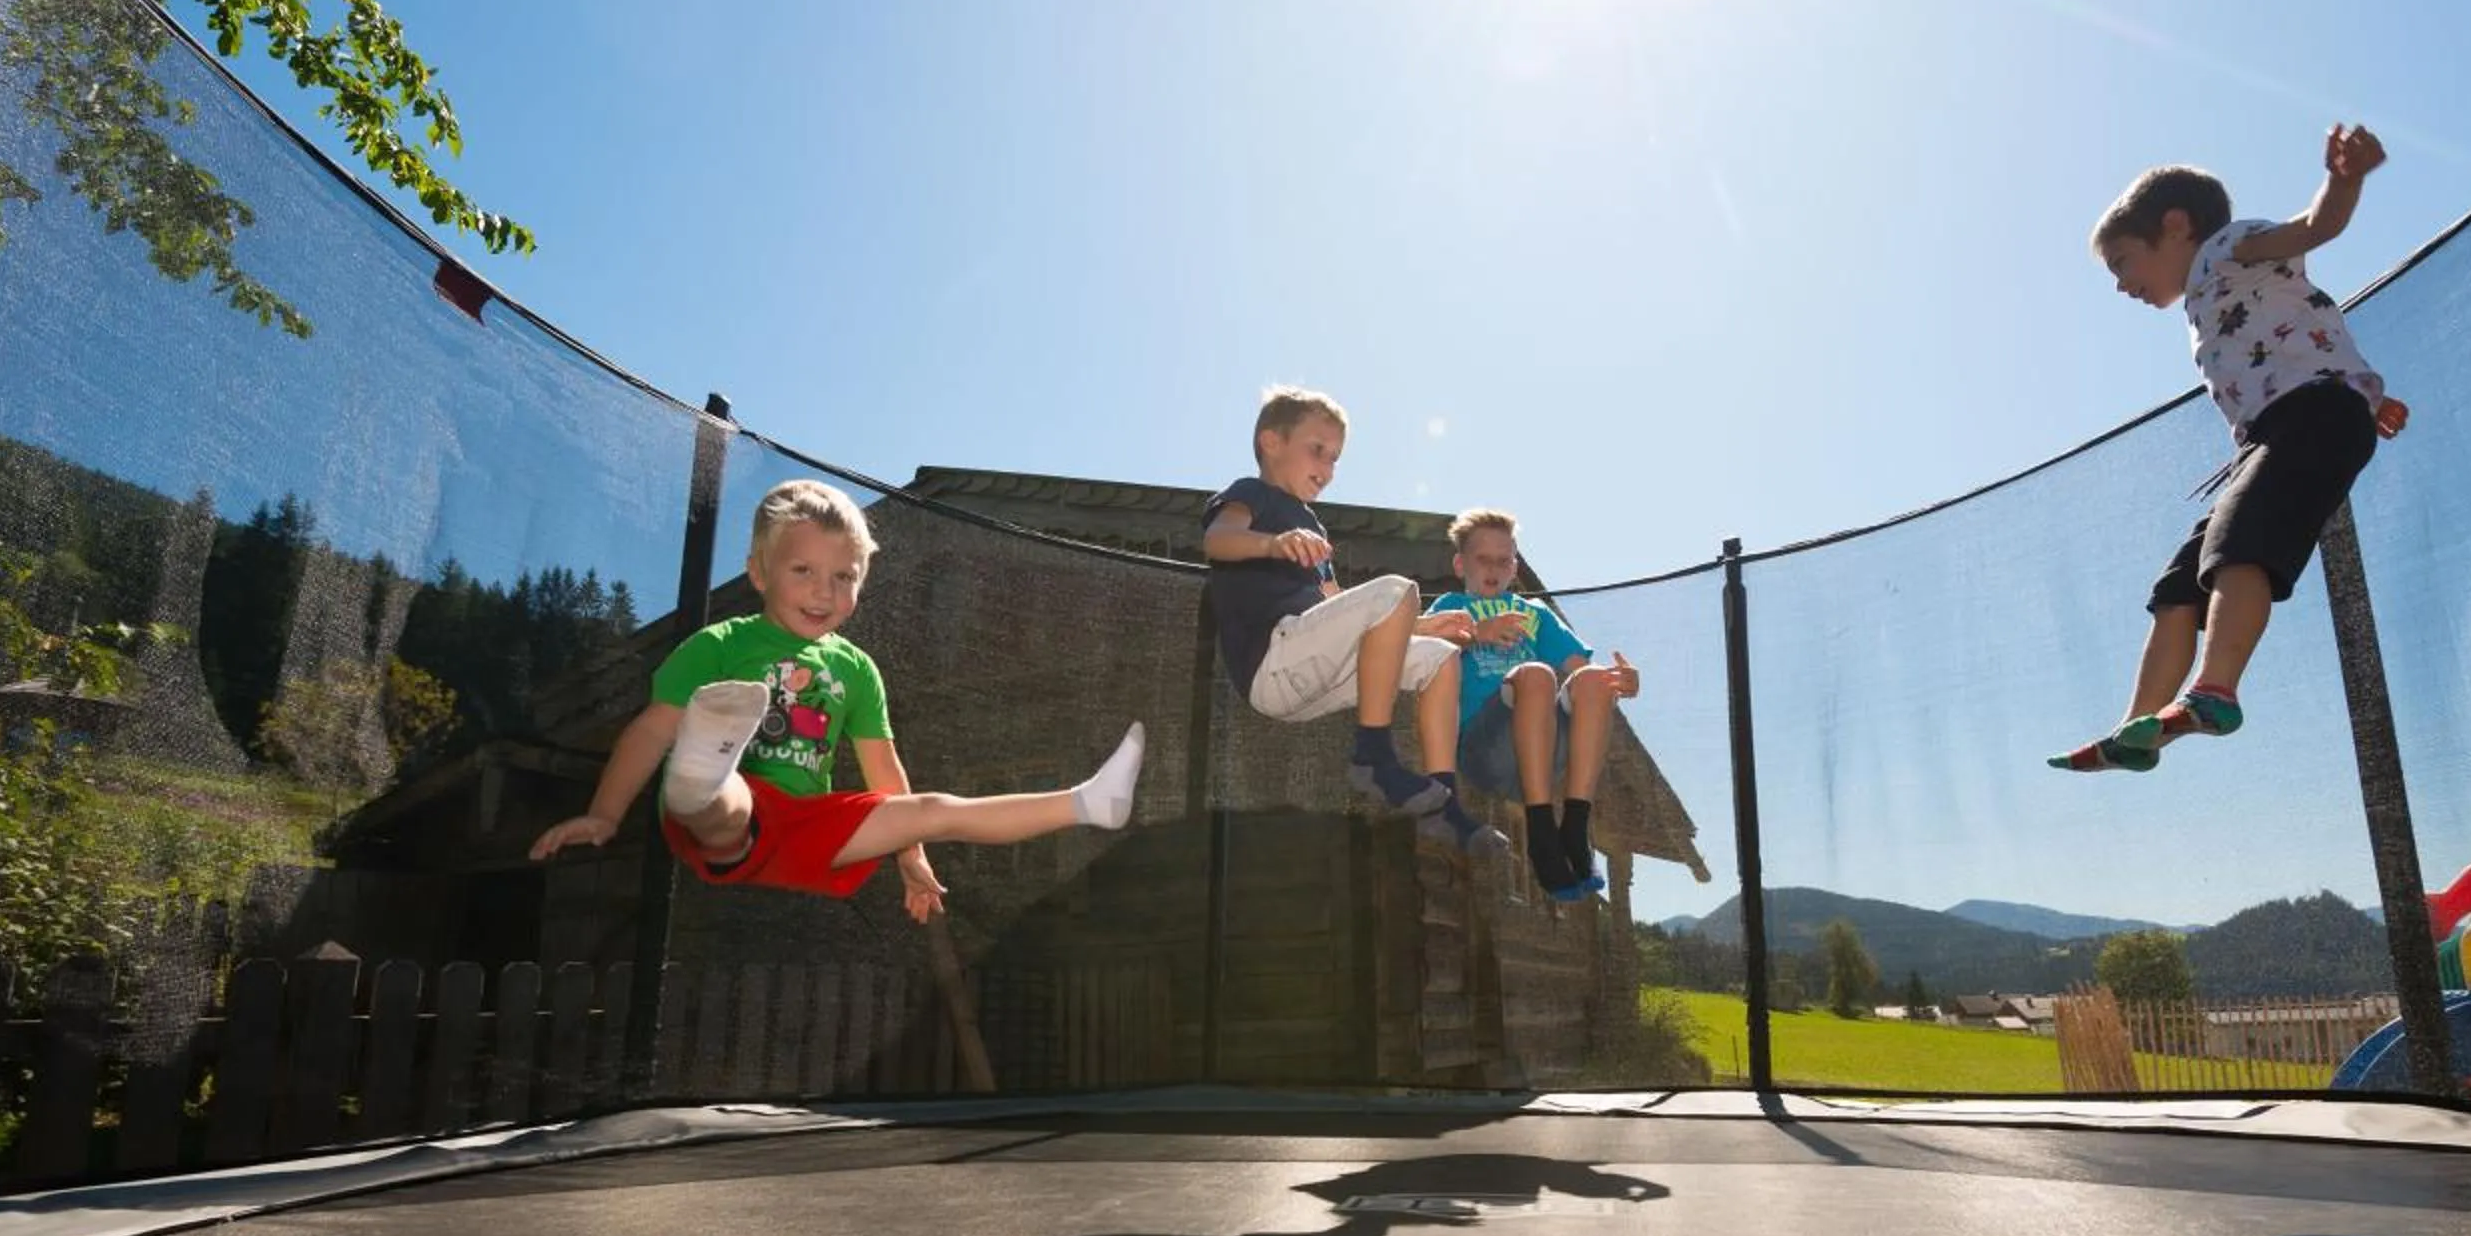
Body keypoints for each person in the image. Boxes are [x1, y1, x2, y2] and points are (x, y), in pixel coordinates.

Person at [530, 478, 1142, 903]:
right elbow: (649, 731)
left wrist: (911, 854)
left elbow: (882, 768)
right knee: (733, 806)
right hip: (731, 824)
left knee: (934, 809)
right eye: (804, 572)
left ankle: (1087, 802)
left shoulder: (855, 668)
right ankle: (704, 774)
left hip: (809, 828)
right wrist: (604, 813)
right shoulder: (719, 646)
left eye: (843, 577)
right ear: (759, 572)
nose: (824, 592)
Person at [2051, 124, 2406, 775]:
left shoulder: (2230, 248)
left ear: (2177, 226)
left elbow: (2311, 229)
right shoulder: (2208, 297)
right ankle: (2140, 729)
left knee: (2239, 545)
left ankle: (2215, 690)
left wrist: (2344, 181)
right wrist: (2366, 391)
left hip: (2311, 419)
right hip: (2284, 429)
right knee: (2177, 586)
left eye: (2124, 261)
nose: (2121, 283)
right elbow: (2303, 336)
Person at [1201, 386, 1508, 858]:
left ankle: (1442, 808)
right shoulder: (1251, 495)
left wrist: (1426, 626)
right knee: (1396, 588)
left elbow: (1340, 605)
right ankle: (1374, 757)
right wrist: (1271, 543)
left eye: (1336, 459)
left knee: (1441, 660)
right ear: (1271, 442)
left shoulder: (1315, 529)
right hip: (1274, 661)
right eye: (1317, 451)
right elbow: (1218, 540)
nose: (1326, 469)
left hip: (1315, 674)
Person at [1422, 507, 1640, 901]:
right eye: (1482, 559)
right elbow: (1421, 653)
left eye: (1503, 561)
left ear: (1515, 567)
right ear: (1460, 563)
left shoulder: (1535, 614)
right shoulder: (1450, 608)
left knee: (1593, 680)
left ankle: (1574, 825)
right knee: (1536, 674)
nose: (1493, 568)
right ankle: (1542, 830)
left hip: (1546, 750)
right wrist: (1477, 633)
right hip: (1487, 753)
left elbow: (1581, 672)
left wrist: (1622, 682)